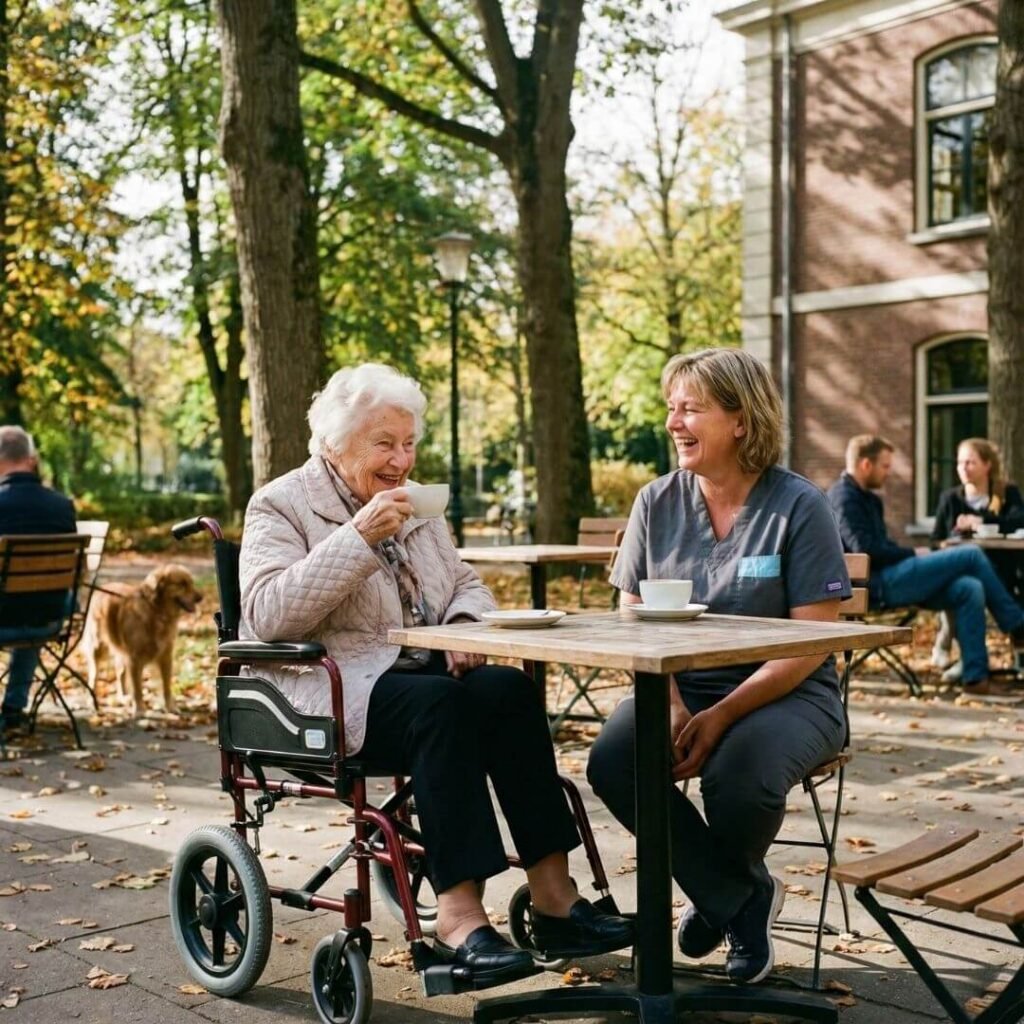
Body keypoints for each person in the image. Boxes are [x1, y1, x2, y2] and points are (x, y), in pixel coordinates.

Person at [238, 363, 632, 981]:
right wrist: (357, 537)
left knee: (507, 689)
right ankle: (459, 917)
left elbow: (464, 584)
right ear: (336, 443)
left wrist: (468, 625)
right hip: (334, 689)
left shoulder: (417, 504)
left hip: (418, 677)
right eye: (385, 444)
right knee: (440, 708)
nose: (402, 459)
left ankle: (556, 899)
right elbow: (265, 616)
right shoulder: (281, 504)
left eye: (409, 443)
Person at [586, 348, 852, 985]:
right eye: (671, 408)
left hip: (791, 693)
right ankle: (737, 896)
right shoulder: (656, 501)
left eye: (692, 409)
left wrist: (725, 712)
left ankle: (718, 896)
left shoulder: (799, 505)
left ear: (740, 419)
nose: (675, 422)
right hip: (678, 684)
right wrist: (674, 700)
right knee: (614, 759)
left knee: (739, 771)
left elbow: (811, 642)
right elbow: (632, 607)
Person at [827, 435, 1024, 696]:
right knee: (971, 554)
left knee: (970, 587)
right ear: (866, 465)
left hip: (890, 576)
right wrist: (912, 552)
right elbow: (866, 549)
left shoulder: (868, 498)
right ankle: (1018, 626)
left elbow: (880, 544)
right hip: (876, 585)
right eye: (885, 466)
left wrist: (909, 554)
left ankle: (976, 679)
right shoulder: (844, 498)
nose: (888, 473)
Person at [0, 426, 77, 735]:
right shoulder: (62, 505)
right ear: (31, 460)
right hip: (50, 619)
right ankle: (14, 709)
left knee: (15, 601)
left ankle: (14, 708)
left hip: (5, 620)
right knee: (34, 600)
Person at [930, 438, 1024, 681]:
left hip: (1002, 573)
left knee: (977, 587)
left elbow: (1019, 521)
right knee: (968, 587)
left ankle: (964, 656)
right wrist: (955, 535)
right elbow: (936, 539)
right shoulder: (950, 498)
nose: (963, 467)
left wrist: (983, 522)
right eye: (960, 462)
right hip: (960, 572)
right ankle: (1014, 628)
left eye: (970, 462)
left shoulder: (1005, 493)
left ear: (987, 465)